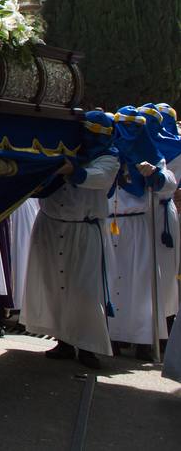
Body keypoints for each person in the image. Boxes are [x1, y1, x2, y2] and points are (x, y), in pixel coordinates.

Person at [21, 108, 121, 369]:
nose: (91, 139)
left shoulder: (110, 158)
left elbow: (94, 178)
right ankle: (63, 340)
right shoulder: (59, 149)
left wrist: (71, 169)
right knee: (55, 284)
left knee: (85, 291)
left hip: (84, 229)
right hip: (51, 226)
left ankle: (88, 346)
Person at [106, 106, 179, 358]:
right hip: (111, 223)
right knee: (112, 282)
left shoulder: (152, 155)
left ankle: (143, 339)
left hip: (139, 226)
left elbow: (169, 183)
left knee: (141, 284)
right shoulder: (108, 154)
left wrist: (155, 175)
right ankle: (112, 336)